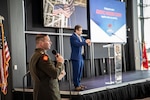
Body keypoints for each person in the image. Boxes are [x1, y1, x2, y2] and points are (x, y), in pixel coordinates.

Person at [29, 34, 64, 100]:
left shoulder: (35, 55)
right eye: (48, 41)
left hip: (40, 92)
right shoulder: (43, 57)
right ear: (41, 43)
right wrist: (60, 63)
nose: (51, 42)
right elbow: (54, 74)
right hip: (48, 93)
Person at [70, 25, 91, 91]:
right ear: (76, 30)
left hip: (81, 56)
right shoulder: (73, 37)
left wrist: (88, 42)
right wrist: (85, 42)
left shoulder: (80, 37)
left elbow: (84, 41)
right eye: (80, 30)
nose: (81, 32)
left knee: (80, 71)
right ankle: (76, 85)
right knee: (76, 71)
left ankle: (79, 84)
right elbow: (77, 44)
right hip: (76, 57)